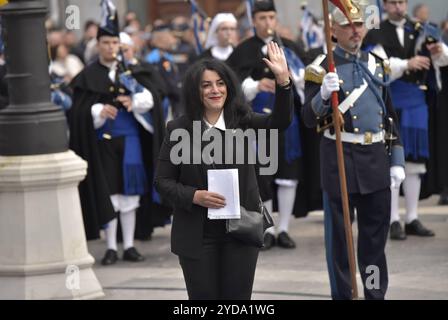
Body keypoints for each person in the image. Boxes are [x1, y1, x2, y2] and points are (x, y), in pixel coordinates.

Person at [154, 42, 293, 300]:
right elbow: (162, 181)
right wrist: (195, 196)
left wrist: (283, 81)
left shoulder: (242, 119)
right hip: (197, 235)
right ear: (196, 92)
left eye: (220, 83)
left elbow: (279, 122)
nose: (215, 90)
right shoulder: (178, 129)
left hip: (240, 232)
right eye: (206, 85)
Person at [303, 2, 406, 299]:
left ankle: (374, 293)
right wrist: (323, 94)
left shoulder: (376, 63)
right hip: (340, 159)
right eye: (347, 25)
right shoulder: (321, 67)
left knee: (374, 242)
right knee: (341, 244)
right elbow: (309, 119)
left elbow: (390, 117)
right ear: (332, 30)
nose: (355, 30)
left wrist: (396, 158)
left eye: (359, 24)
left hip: (375, 158)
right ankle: (345, 294)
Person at [68, 1, 165, 265]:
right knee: (109, 192)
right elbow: (77, 111)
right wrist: (97, 111)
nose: (111, 48)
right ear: (98, 45)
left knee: (130, 194)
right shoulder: (88, 75)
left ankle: (130, 245)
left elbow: (153, 98)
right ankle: (111, 247)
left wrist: (135, 103)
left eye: (115, 44)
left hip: (131, 140)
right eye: (106, 43)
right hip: (103, 142)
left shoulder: (130, 72)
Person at [364, 0, 448, 240]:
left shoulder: (424, 29)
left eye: (401, 2)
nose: (398, 7)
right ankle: (393, 220)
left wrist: (440, 52)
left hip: (416, 102)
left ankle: (412, 217)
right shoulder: (376, 31)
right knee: (392, 161)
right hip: (390, 99)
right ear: (384, 5)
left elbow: (444, 60)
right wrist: (407, 64)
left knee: (414, 162)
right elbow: (376, 65)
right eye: (392, 3)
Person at [227, 0, 307, 250]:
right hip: (258, 122)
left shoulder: (290, 47)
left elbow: (307, 79)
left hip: (287, 121)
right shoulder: (242, 51)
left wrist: (293, 79)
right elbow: (230, 84)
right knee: (263, 174)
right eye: (262, 18)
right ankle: (267, 229)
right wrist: (255, 85)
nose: (267, 23)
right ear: (253, 21)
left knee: (287, 175)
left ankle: (284, 228)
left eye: (271, 17)